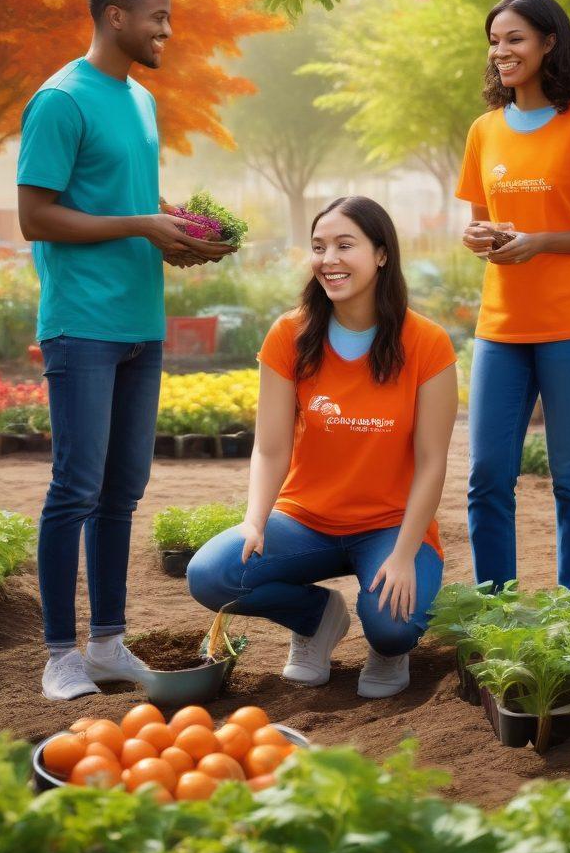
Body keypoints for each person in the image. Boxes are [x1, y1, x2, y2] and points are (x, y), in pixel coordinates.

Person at [17, 0, 235, 700]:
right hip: (83, 322)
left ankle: (107, 643)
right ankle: (59, 655)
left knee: (123, 490)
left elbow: (126, 199)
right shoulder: (60, 99)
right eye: (157, 17)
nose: (167, 29)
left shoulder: (141, 100)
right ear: (116, 17)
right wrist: (141, 223)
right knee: (75, 486)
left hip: (142, 318)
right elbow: (35, 215)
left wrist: (174, 229)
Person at [188, 196, 457, 698]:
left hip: (389, 524)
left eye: (344, 245)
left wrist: (402, 555)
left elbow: (432, 462)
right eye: (319, 247)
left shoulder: (427, 342)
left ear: (381, 254)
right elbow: (270, 448)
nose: (328, 259)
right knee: (213, 575)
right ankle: (316, 619)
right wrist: (254, 519)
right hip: (306, 519)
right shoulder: (290, 334)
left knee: (393, 625)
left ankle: (386, 649)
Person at [457, 0, 570, 592]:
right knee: (486, 474)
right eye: (495, 41)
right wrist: (480, 237)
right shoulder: (484, 130)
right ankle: (496, 608)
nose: (501, 51)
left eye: (515, 39)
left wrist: (542, 242)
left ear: (549, 43)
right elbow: (482, 221)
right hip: (501, 326)